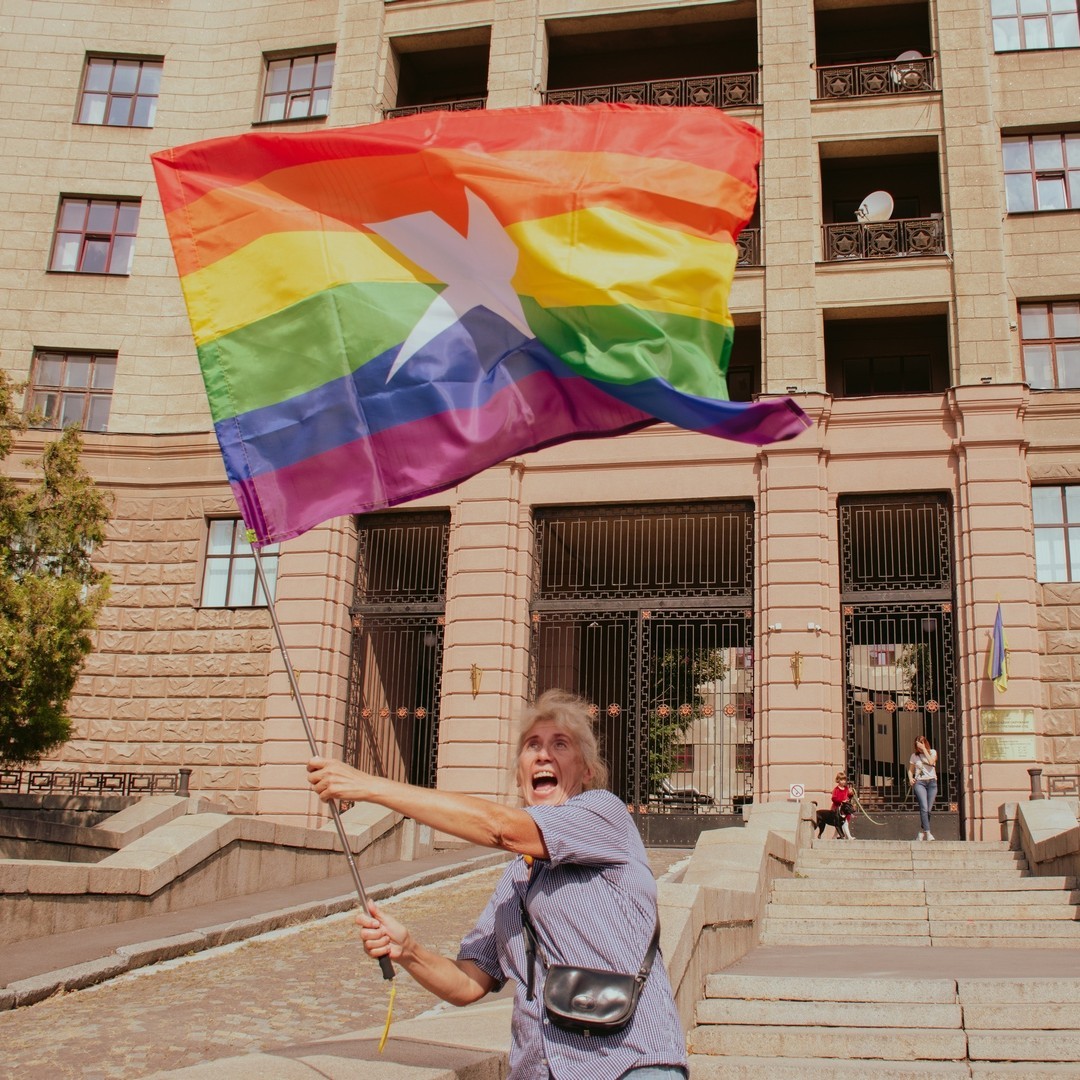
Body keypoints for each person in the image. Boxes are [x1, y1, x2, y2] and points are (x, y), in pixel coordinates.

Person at [307, 689, 688, 1080]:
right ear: (520, 771)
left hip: (629, 1063)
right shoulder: (514, 879)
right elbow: (468, 983)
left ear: (586, 771)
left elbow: (502, 829)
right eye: (532, 745)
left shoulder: (603, 814)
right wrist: (407, 950)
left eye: (560, 744)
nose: (543, 754)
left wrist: (369, 786)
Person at [908, 734, 938, 841]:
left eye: (921, 744)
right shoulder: (914, 756)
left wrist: (924, 749)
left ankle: (921, 832)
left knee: (928, 810)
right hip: (920, 783)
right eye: (917, 746)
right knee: (924, 807)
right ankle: (928, 833)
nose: (919, 748)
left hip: (932, 783)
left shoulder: (933, 752)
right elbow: (910, 770)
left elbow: (931, 762)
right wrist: (910, 779)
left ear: (925, 743)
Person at [831, 771, 855, 839]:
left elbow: (849, 797)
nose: (843, 781)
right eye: (841, 780)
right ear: (838, 780)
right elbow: (833, 798)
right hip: (837, 808)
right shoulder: (836, 789)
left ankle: (835, 836)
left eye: (844, 779)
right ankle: (849, 836)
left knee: (841, 823)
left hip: (845, 809)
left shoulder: (846, 788)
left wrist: (851, 794)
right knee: (843, 822)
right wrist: (841, 801)